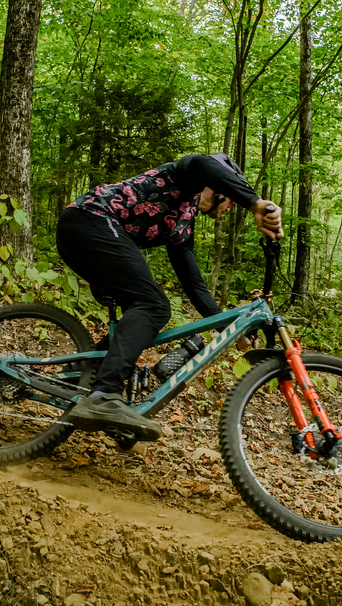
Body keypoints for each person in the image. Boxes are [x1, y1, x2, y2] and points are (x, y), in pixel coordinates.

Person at [56, 153, 284, 441]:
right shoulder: (186, 176)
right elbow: (203, 163)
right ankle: (104, 396)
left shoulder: (182, 225)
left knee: (141, 311)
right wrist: (254, 202)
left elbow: (195, 287)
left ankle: (83, 374)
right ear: (218, 188)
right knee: (153, 306)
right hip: (91, 220)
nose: (229, 208)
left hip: (85, 230)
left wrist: (229, 328)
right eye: (229, 201)